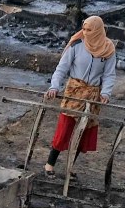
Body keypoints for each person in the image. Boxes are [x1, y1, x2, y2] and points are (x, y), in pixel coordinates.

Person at [44, 15, 118, 176]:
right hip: (74, 91)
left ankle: (70, 167)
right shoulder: (76, 45)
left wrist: (105, 92)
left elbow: (109, 74)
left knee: (83, 132)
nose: (85, 32)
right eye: (83, 29)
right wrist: (54, 86)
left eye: (89, 30)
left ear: (98, 30)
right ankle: (50, 164)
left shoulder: (108, 49)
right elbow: (61, 68)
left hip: (93, 95)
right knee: (65, 127)